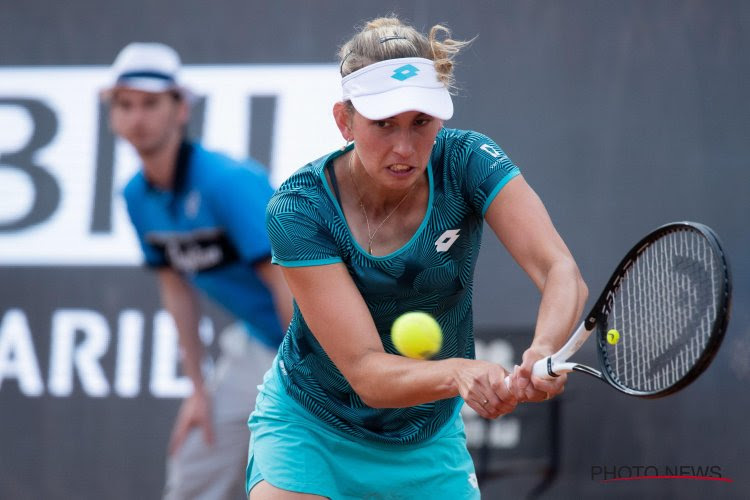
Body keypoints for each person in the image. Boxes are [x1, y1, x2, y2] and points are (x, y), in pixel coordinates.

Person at [247, 17, 588, 499]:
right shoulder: (299, 210)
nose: (404, 148)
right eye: (383, 124)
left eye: (420, 123)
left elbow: (560, 269)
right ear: (345, 120)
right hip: (310, 429)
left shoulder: (469, 161)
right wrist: (459, 372)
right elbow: (367, 373)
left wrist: (544, 350)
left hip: (425, 441)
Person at [101, 42, 293, 500]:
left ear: (181, 108)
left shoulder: (227, 180)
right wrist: (198, 391)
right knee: (196, 447)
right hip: (259, 344)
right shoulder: (135, 196)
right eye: (124, 105)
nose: (137, 117)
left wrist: (310, 372)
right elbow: (176, 290)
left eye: (150, 103)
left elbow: (290, 281)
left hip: (317, 341)